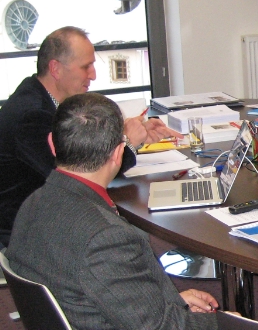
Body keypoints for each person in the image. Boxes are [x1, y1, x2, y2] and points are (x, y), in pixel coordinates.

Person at [6, 93, 219, 330]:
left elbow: (89, 288)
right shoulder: (105, 237)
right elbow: (158, 327)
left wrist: (169, 301)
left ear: (52, 144)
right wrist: (228, 322)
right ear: (119, 153)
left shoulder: (33, 203)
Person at [0, 26, 177, 246]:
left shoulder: (39, 98)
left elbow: (80, 154)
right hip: (30, 234)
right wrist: (128, 143)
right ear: (55, 68)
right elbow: (79, 175)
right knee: (141, 237)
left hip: (48, 213)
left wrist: (127, 135)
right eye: (86, 67)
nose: (93, 75)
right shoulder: (31, 116)